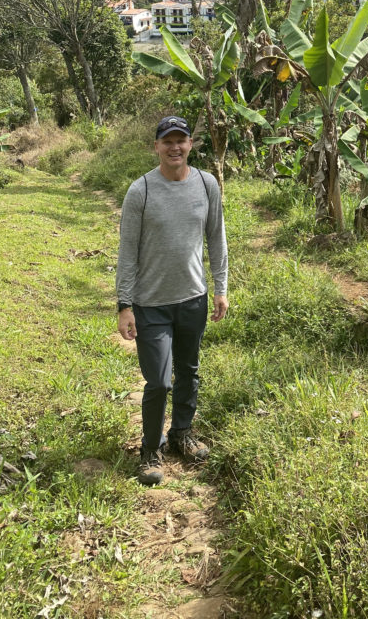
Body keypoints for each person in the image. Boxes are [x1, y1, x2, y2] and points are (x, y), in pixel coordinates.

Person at [116, 115, 229, 486]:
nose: (175, 147)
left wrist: (221, 288)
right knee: (159, 382)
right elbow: (127, 252)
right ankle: (151, 447)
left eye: (181, 140)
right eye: (167, 141)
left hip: (193, 299)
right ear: (157, 146)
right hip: (151, 304)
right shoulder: (141, 191)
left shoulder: (207, 184)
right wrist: (124, 304)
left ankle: (182, 433)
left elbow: (216, 238)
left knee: (190, 371)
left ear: (190, 145)